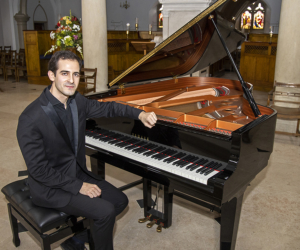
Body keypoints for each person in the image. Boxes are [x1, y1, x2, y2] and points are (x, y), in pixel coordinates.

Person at [17, 51, 157, 250]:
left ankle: (76, 239)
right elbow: (39, 171)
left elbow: (109, 109)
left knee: (120, 200)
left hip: (76, 173)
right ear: (51, 75)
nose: (71, 80)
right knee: (105, 211)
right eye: (65, 73)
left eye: (76, 74)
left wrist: (140, 114)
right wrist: (78, 187)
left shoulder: (76, 102)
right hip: (50, 187)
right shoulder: (30, 118)